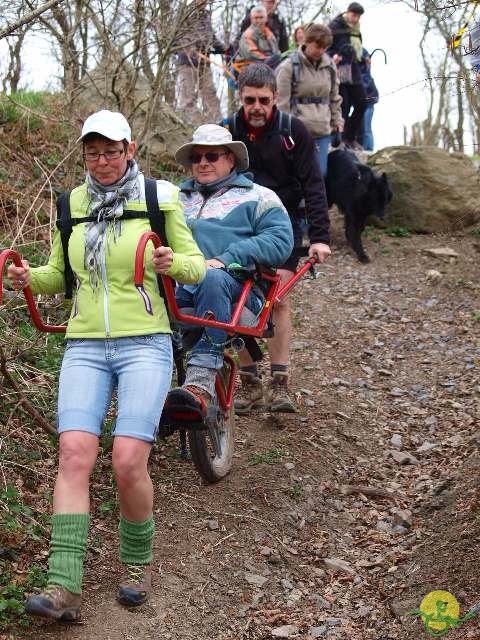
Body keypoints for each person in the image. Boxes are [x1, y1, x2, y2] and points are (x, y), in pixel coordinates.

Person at [7, 110, 206, 620]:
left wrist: (171, 264)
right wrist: (29, 278)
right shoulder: (70, 203)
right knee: (74, 453)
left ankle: (136, 565)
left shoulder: (160, 198)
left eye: (111, 150)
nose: (102, 161)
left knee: (126, 461)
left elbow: (196, 264)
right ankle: (63, 586)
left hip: (146, 342)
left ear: (130, 148)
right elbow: (60, 275)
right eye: (92, 152)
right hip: (85, 345)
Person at [162, 124, 293, 419]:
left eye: (212, 156)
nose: (203, 163)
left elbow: (280, 240)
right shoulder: (175, 198)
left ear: (231, 158)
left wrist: (226, 258)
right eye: (196, 157)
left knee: (210, 278)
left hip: (239, 288)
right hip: (181, 284)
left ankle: (201, 380)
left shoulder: (260, 197)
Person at [223, 63, 331, 414]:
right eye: (250, 99)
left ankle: (280, 383)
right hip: (240, 226)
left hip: (284, 226)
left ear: (276, 98)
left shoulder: (293, 131)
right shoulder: (228, 131)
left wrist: (319, 236)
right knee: (236, 299)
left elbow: (314, 184)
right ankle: (251, 382)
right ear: (240, 97)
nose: (257, 107)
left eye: (264, 100)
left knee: (277, 299)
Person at [276, 23, 343, 177]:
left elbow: (334, 98)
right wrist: (284, 132)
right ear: (306, 41)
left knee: (320, 174)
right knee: (297, 174)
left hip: (322, 130)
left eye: (324, 48)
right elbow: (282, 104)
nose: (321, 51)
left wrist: (337, 121)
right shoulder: (289, 67)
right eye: (317, 46)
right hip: (297, 132)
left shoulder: (330, 67)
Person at [176, 0, 226, 123]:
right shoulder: (185, 13)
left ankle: (216, 125)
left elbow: (210, 37)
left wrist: (224, 48)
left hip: (204, 61)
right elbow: (176, 37)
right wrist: (190, 47)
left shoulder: (206, 15)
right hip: (188, 62)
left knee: (210, 94)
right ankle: (188, 124)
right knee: (188, 97)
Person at [328, 2, 368, 150]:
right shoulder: (335, 26)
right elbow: (325, 47)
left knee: (362, 101)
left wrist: (363, 59)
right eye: (354, 15)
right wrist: (333, 57)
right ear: (348, 12)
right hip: (340, 69)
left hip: (354, 69)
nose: (355, 18)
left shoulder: (356, 30)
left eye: (358, 16)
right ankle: (340, 140)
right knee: (342, 106)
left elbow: (356, 50)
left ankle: (350, 137)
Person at [359, 48, 379, 151]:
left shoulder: (367, 79)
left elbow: (375, 96)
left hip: (369, 105)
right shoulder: (362, 76)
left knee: (367, 128)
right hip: (364, 104)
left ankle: (369, 148)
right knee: (363, 127)